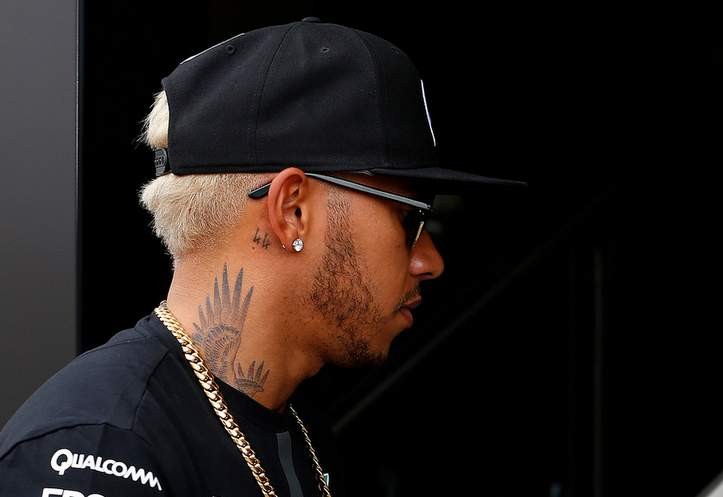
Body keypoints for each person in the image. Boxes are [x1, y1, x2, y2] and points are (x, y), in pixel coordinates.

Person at [0, 17, 525, 497]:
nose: (430, 261)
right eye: (411, 219)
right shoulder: (98, 450)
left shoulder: (300, 432)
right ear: (291, 210)